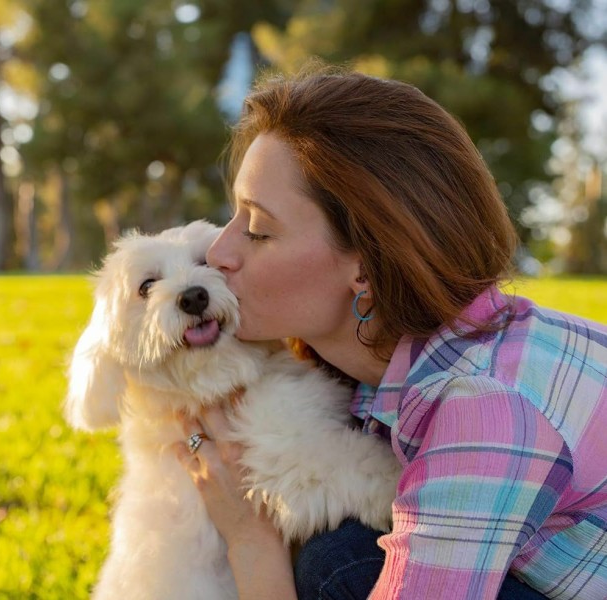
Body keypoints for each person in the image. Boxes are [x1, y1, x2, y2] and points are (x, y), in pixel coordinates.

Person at [173, 68, 607, 600]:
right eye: (232, 215)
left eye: (259, 230)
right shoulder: (388, 364)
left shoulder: (486, 409)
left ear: (366, 268)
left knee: (344, 566)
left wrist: (249, 538)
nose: (219, 253)